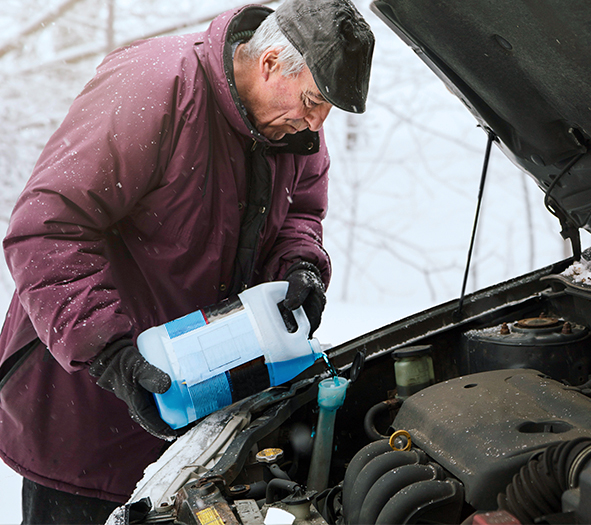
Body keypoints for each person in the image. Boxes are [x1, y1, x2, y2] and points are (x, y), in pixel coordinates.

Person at [0, 0, 374, 521]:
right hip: (86, 408)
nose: (317, 121)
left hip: (194, 414)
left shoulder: (294, 125)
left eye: (327, 108)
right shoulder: (154, 90)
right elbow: (45, 229)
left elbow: (300, 212)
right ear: (269, 64)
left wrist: (299, 265)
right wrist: (109, 352)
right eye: (313, 99)